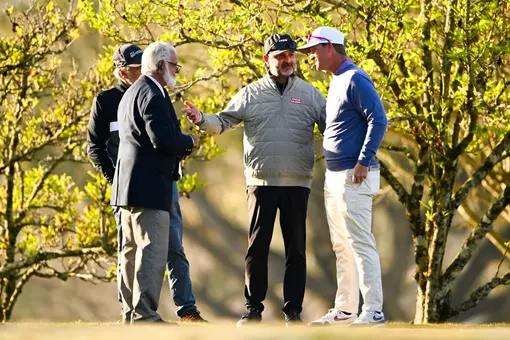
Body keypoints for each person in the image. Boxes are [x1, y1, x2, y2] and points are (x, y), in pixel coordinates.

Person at [183, 34, 326, 327]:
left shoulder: (311, 95)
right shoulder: (250, 93)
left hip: (298, 183)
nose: (288, 60)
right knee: (257, 249)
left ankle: (294, 313)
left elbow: (332, 127)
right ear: (267, 60)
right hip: (261, 184)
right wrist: (200, 119)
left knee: (296, 251)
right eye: (280, 56)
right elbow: (222, 121)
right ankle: (253, 309)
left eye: (291, 55)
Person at [87, 44, 207, 323]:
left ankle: (131, 314)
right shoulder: (152, 93)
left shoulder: (131, 93)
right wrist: (189, 142)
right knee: (151, 252)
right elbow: (161, 139)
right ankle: (145, 317)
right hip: (150, 186)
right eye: (174, 66)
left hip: (127, 187)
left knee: (130, 252)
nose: (176, 71)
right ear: (162, 64)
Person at [297, 27, 388, 326]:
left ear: (330, 48)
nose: (310, 56)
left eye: (313, 50)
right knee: (341, 245)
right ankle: (346, 309)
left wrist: (364, 160)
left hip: (355, 173)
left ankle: (373, 310)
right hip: (336, 174)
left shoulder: (355, 79)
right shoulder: (338, 80)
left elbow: (379, 119)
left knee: (360, 241)